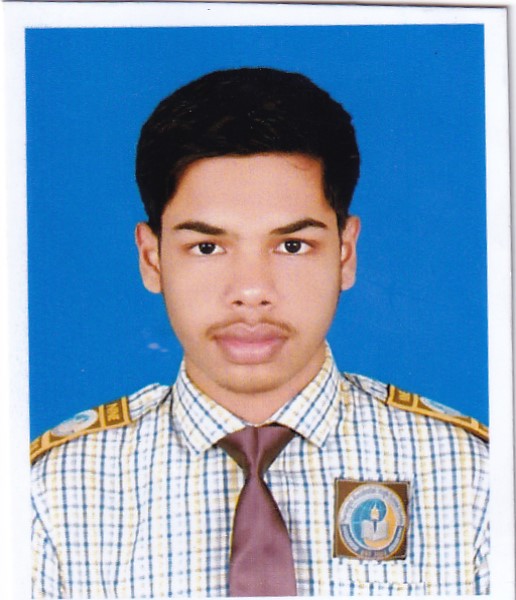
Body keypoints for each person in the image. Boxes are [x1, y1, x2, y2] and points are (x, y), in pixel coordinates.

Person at [30, 67, 489, 598]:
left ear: (345, 253)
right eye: (207, 247)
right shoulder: (51, 491)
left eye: (292, 246)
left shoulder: (472, 477)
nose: (251, 291)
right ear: (152, 258)